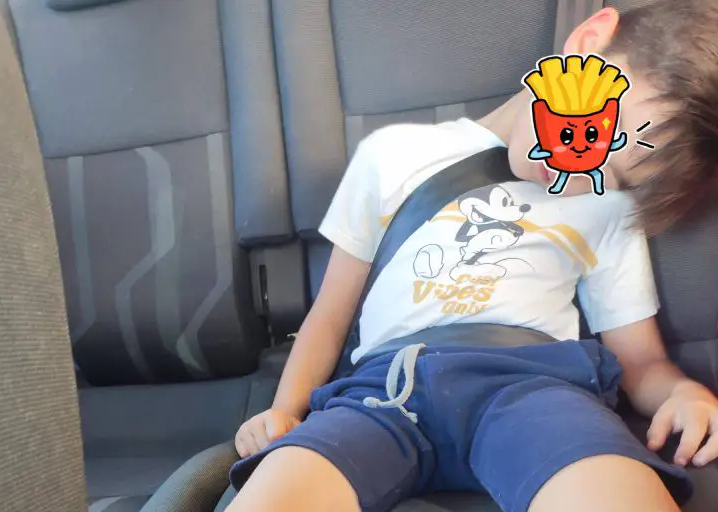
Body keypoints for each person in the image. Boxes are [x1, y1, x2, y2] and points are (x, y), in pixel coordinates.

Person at [227, 3, 718, 512]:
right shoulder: (392, 154)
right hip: (381, 391)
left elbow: (640, 360)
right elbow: (329, 315)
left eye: (609, 173)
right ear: (587, 45)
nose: (575, 167)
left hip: (534, 390)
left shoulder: (607, 208)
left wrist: (681, 392)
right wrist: (286, 410)